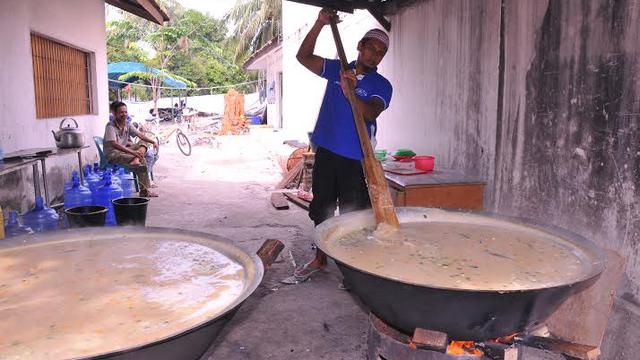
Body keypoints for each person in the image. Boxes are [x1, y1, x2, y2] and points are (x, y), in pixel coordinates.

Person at [292, 8, 393, 282]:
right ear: (360, 46)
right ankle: (320, 258)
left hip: (356, 158)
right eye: (371, 48)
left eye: (380, 53)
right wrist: (320, 23)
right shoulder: (338, 69)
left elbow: (371, 112)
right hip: (327, 152)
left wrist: (351, 94)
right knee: (322, 208)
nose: (374, 55)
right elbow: (303, 57)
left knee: (353, 215)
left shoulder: (381, 85)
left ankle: (352, 270)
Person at [104, 101, 159, 197]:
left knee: (143, 142)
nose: (124, 114)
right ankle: (144, 191)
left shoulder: (127, 124)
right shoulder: (110, 126)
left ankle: (136, 159)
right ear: (115, 113)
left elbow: (140, 135)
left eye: (125, 112)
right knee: (143, 160)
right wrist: (133, 152)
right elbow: (114, 144)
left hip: (125, 151)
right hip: (114, 154)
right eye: (121, 112)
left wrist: (153, 142)